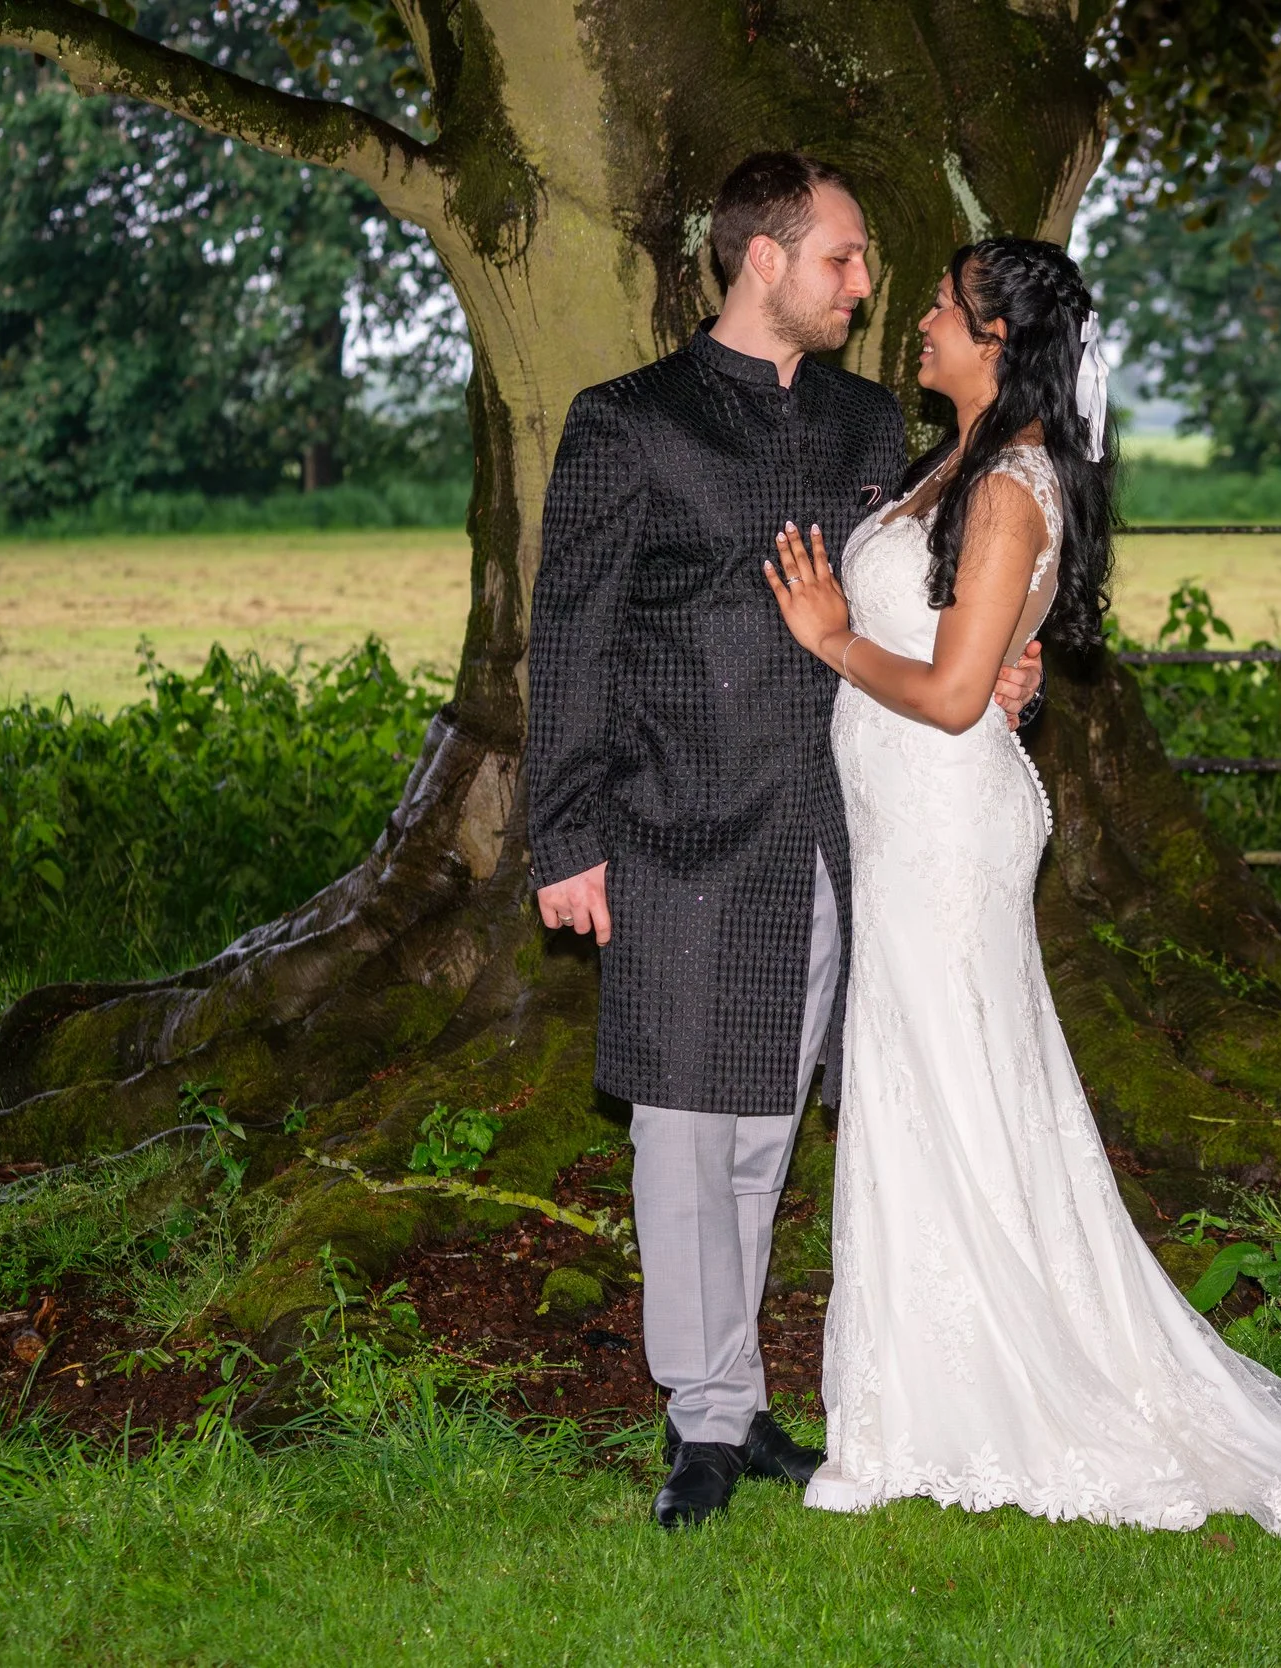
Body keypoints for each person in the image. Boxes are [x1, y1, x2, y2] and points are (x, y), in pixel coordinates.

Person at [759, 235, 1281, 1571]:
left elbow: (954, 692)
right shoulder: (963, 466)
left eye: (937, 305)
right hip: (909, 820)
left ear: (994, 337)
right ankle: (914, 1406)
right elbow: (973, 658)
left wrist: (828, 640)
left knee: (949, 1078)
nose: (914, 317)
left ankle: (950, 1413)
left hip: (942, 823)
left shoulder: (1010, 488)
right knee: (929, 1079)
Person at [523, 153, 1041, 1530]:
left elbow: (928, 592)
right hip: (673, 827)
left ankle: (735, 1401)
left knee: (761, 1135)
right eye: (843, 260)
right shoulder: (626, 423)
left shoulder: (876, 426)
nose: (864, 284)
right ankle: (700, 1421)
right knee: (683, 1136)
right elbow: (569, 637)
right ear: (764, 258)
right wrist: (564, 833)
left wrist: (992, 670)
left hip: (836, 832)